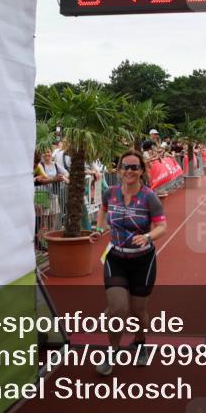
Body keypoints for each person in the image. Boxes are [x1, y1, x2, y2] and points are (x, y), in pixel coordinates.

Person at [91, 150, 167, 375]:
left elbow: (162, 226)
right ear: (119, 169)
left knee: (138, 311)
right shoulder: (109, 193)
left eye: (134, 167)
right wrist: (98, 230)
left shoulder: (149, 197)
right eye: (125, 166)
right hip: (116, 257)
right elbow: (103, 214)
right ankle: (112, 352)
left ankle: (140, 343)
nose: (129, 171)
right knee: (117, 309)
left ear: (142, 170)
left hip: (143, 261)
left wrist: (148, 236)